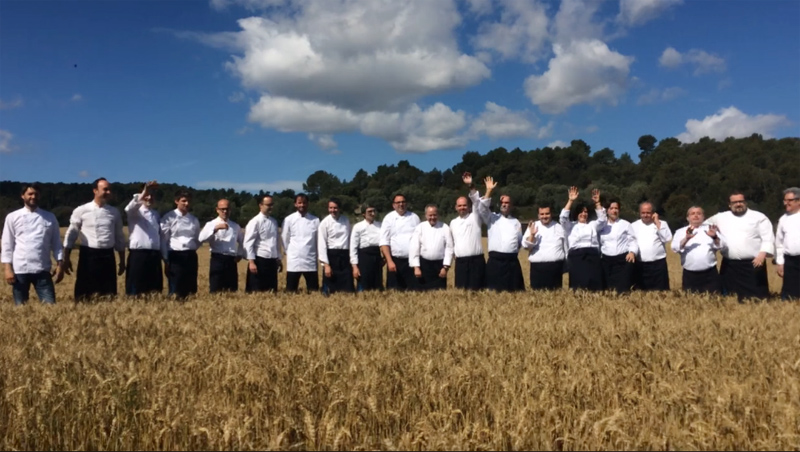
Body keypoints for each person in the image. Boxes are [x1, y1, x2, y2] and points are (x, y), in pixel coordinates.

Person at [63, 178, 126, 301]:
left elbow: (119, 237)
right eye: (105, 189)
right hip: (88, 255)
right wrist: (66, 257)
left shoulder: (114, 212)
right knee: (85, 295)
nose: (108, 192)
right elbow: (71, 234)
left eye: (109, 190)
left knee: (108, 295)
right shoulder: (81, 210)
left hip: (108, 255)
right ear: (95, 191)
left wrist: (122, 261)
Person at [1, 183, 64, 305]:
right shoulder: (13, 217)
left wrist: (60, 264)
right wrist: (7, 269)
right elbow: (7, 244)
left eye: (36, 194)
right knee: (20, 308)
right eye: (30, 194)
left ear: (40, 196)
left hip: (43, 269)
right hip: (20, 270)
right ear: (22, 196)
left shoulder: (50, 217)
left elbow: (56, 243)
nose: (33, 196)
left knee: (50, 307)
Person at [706, 191, 774, 301]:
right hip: (730, 265)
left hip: (754, 263)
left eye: (741, 201)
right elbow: (702, 226)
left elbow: (768, 237)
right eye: (735, 202)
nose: (738, 204)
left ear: (745, 202)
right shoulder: (720, 217)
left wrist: (762, 254)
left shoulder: (758, 217)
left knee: (757, 298)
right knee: (730, 298)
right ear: (729, 204)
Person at [475, 177, 524, 292]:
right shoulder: (491, 217)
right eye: (502, 202)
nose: (504, 205)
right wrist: (489, 191)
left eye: (507, 203)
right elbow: (482, 209)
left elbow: (518, 243)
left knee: (515, 294)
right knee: (493, 294)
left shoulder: (516, 222)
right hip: (495, 262)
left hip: (512, 263)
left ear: (511, 205)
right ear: (498, 204)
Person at [560, 187, 606, 291]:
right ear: (576, 214)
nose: (583, 214)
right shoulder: (570, 226)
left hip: (593, 256)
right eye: (581, 212)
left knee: (594, 284)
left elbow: (602, 220)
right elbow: (563, 218)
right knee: (579, 284)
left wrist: (597, 203)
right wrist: (571, 201)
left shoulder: (592, 225)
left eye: (585, 212)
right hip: (577, 257)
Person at [671, 206, 724, 294]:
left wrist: (714, 237)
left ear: (703, 217)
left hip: (710, 273)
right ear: (687, 218)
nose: (696, 216)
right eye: (693, 214)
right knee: (691, 302)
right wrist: (686, 238)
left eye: (699, 213)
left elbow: (721, 245)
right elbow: (675, 248)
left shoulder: (711, 230)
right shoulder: (680, 232)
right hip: (690, 275)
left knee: (714, 301)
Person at [160, 190, 201, 300]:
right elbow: (164, 240)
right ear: (176, 201)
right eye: (183, 201)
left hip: (190, 255)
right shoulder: (169, 217)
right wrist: (166, 259)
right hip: (175, 255)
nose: (186, 204)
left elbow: (197, 239)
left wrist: (190, 248)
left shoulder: (194, 220)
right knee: (176, 287)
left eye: (188, 201)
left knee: (191, 287)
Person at [124, 181, 162, 296]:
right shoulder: (135, 212)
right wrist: (144, 191)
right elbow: (128, 208)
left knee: (154, 289)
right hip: (138, 254)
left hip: (154, 254)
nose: (149, 198)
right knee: (136, 288)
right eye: (147, 195)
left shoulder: (156, 214)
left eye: (152, 195)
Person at [450, 172, 486, 290]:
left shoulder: (475, 217)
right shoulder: (453, 223)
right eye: (459, 206)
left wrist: (471, 186)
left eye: (464, 205)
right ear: (456, 207)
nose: (462, 208)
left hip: (477, 262)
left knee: (478, 293)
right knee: (461, 294)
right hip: (460, 263)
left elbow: (477, 202)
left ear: (469, 207)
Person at [199, 199, 244, 293]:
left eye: (227, 209)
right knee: (216, 287)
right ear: (217, 209)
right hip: (217, 259)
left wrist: (240, 254)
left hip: (231, 260)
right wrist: (215, 229)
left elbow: (242, 241)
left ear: (230, 210)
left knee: (232, 289)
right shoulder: (211, 224)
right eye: (222, 209)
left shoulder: (235, 226)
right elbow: (201, 238)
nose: (225, 211)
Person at [380, 193, 421, 291]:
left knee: (414, 292)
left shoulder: (414, 217)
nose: (401, 204)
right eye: (398, 202)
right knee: (394, 292)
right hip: (395, 261)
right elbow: (384, 242)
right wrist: (389, 261)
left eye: (403, 202)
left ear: (406, 204)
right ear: (393, 205)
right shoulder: (388, 218)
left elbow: (420, 238)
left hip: (411, 261)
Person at [409, 204, 454, 291]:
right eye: (430, 215)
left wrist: (445, 267)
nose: (432, 217)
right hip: (424, 266)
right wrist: (416, 267)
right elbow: (414, 247)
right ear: (426, 215)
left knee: (439, 294)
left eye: (435, 215)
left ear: (438, 215)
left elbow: (449, 248)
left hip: (439, 266)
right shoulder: (420, 227)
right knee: (422, 294)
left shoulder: (445, 227)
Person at [522, 204, 567, 290]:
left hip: (555, 268)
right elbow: (526, 247)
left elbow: (565, 246)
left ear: (551, 214)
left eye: (547, 213)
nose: (544, 216)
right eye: (542, 214)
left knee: (556, 298)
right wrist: (532, 235)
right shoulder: (533, 226)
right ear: (538, 215)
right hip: (537, 269)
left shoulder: (559, 227)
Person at [244, 195, 282, 293]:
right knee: (256, 291)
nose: (271, 207)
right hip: (259, 260)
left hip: (272, 261)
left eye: (272, 205)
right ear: (260, 205)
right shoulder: (255, 221)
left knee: (272, 291)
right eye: (268, 205)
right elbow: (248, 242)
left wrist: (278, 258)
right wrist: (251, 262)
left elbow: (276, 241)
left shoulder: (274, 222)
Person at [631, 202, 673, 291]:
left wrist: (657, 222)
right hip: (640, 265)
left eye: (648, 212)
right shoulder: (633, 225)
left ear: (653, 213)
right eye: (643, 213)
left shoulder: (662, 224)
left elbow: (667, 238)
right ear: (639, 213)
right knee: (641, 292)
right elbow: (631, 242)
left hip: (658, 265)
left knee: (661, 292)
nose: (645, 215)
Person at [282, 194, 320, 292]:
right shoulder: (289, 219)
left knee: (313, 290)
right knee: (291, 289)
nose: (302, 205)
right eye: (299, 203)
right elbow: (284, 238)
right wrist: (289, 251)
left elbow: (317, 239)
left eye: (304, 203)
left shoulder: (315, 220)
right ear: (295, 204)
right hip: (294, 259)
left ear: (308, 204)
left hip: (310, 258)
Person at [599, 198, 638, 294]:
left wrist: (632, 252)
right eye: (611, 208)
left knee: (623, 290)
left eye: (616, 208)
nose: (614, 210)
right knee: (608, 290)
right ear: (607, 210)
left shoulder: (625, 224)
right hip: (606, 261)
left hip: (622, 261)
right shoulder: (601, 225)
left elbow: (632, 241)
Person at [318, 197, 354, 294]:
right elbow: (322, 244)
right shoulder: (324, 223)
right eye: (331, 208)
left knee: (348, 290)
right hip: (331, 256)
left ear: (340, 208)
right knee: (330, 290)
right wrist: (326, 265)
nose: (333, 210)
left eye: (335, 208)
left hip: (345, 256)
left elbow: (350, 239)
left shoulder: (346, 220)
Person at [350, 203, 383, 292]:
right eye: (369, 211)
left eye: (374, 211)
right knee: (364, 283)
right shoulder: (358, 227)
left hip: (377, 256)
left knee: (377, 283)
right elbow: (353, 247)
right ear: (363, 214)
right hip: (364, 257)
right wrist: (355, 267)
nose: (372, 213)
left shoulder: (380, 225)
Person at [775, 187, 800, 300]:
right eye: (785, 200)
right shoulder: (783, 219)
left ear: (798, 201)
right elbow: (779, 243)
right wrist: (780, 262)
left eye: (789, 200)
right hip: (790, 260)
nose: (786, 203)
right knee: (790, 293)